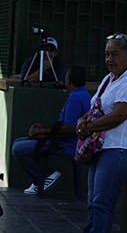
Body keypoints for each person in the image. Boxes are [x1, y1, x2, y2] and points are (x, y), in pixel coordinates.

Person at [59, 35, 127, 233]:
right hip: (101, 147)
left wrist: (87, 127)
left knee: (101, 203)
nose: (110, 59)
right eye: (107, 54)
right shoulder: (109, 80)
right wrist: (82, 121)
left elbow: (119, 115)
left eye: (115, 54)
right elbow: (95, 109)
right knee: (93, 202)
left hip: (120, 148)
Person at [11, 66, 91, 196]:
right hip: (70, 142)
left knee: (18, 147)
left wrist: (44, 131)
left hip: (66, 145)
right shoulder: (86, 95)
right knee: (20, 141)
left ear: (69, 80)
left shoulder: (75, 97)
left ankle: (43, 178)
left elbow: (69, 128)